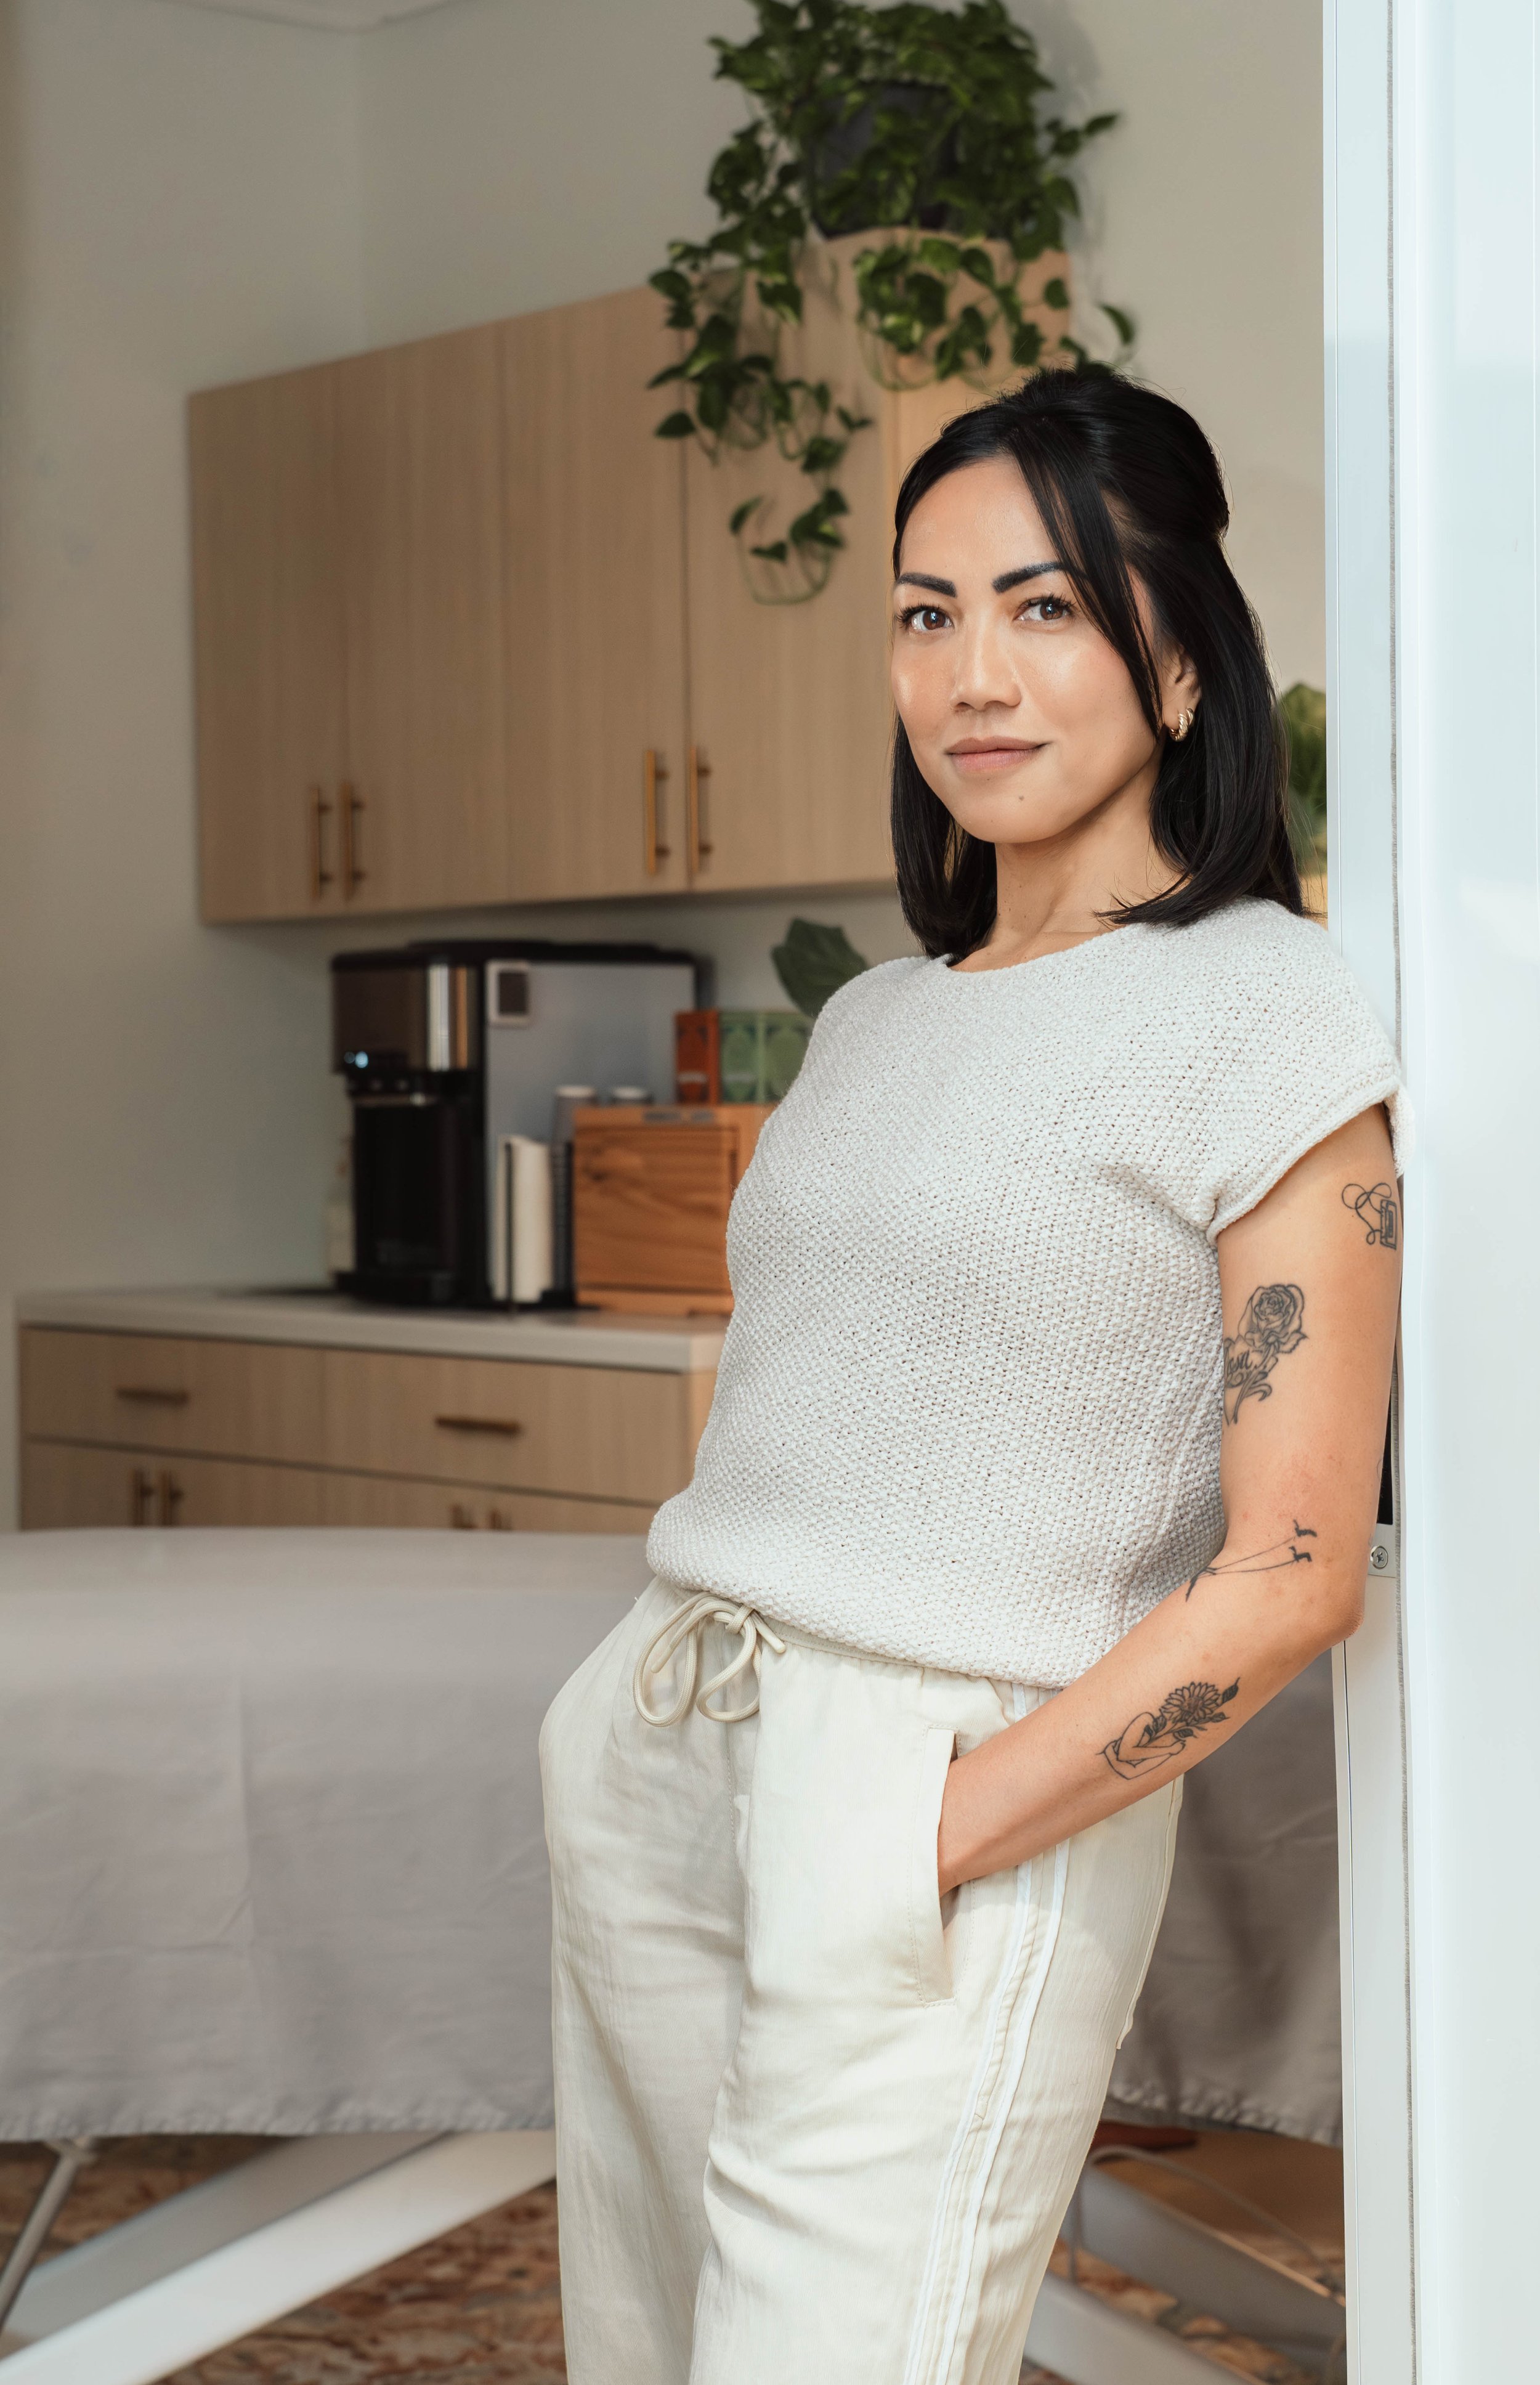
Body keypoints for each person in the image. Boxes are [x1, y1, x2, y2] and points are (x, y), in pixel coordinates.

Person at [540, 370, 1406, 2385]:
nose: (970, 673)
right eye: (924, 614)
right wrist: (636, 1743)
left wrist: (919, 1833)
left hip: (939, 1793)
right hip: (673, 1729)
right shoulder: (875, 1026)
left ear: (1180, 660)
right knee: (651, 2348)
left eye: (1045, 607)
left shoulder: (1266, 1011)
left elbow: (1295, 1566)